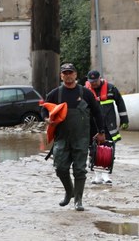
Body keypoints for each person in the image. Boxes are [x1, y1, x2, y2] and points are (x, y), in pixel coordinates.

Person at [41, 63, 106, 211]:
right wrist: (47, 120)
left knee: (79, 170)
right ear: (61, 76)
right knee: (60, 168)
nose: (68, 75)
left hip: (81, 138)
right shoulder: (55, 94)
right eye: (65, 73)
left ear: (76, 75)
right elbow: (44, 110)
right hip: (61, 138)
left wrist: (101, 132)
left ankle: (78, 200)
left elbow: (97, 113)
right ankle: (69, 191)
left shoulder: (86, 93)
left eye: (71, 73)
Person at [85, 70, 129, 184]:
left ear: (100, 78)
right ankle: (97, 176)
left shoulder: (110, 89)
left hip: (108, 125)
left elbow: (120, 102)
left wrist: (124, 119)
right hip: (92, 125)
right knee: (93, 150)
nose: (93, 83)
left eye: (95, 81)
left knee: (108, 150)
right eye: (91, 81)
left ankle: (106, 175)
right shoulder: (85, 91)